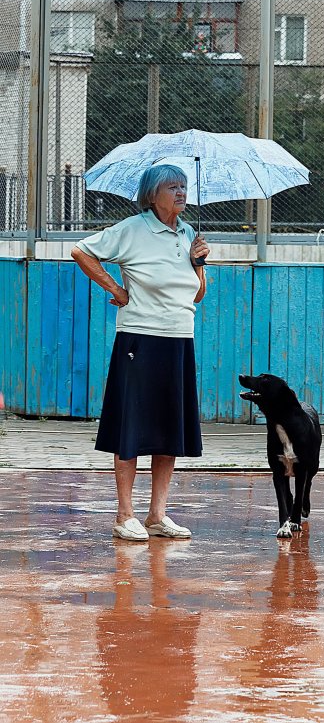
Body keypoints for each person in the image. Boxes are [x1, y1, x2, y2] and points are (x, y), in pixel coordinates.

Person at [71, 164, 210, 542]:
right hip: (139, 338)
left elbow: (196, 294)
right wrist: (114, 289)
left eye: (184, 186)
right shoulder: (132, 229)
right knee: (131, 427)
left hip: (179, 339)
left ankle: (157, 515)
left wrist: (199, 264)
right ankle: (125, 514)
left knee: (170, 428)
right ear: (152, 194)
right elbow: (81, 251)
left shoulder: (188, 234)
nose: (181, 192)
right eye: (172, 187)